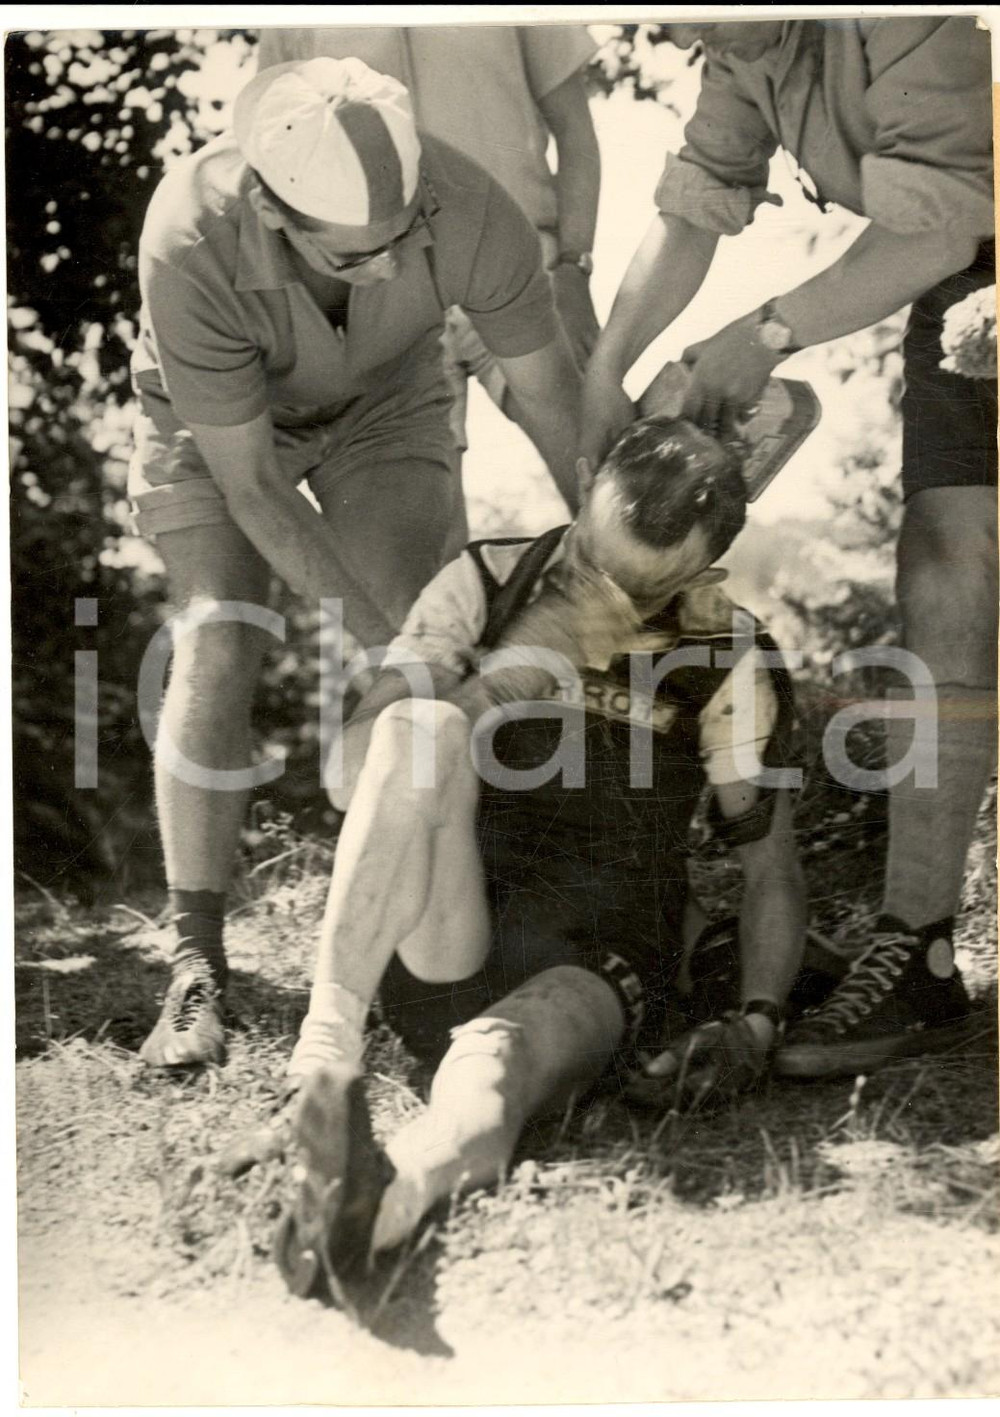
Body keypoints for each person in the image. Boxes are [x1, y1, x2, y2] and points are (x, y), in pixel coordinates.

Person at [219, 415, 807, 1309]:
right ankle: (323, 1062)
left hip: (596, 959)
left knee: (494, 1068)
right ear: (582, 485)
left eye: (646, 589)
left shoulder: (731, 651)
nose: (611, 597)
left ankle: (384, 1200)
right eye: (597, 560)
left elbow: (769, 862)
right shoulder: (493, 578)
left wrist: (757, 1022)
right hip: (447, 923)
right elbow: (350, 775)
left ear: (701, 569)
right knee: (421, 725)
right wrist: (499, 681)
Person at [130, 56, 582, 1068]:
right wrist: (402, 647)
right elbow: (251, 488)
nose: (393, 259)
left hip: (387, 402)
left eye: (406, 234)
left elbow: (554, 394)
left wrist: (615, 557)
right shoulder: (189, 237)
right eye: (358, 255)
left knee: (423, 632)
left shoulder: (465, 206)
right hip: (221, 434)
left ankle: (422, 938)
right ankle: (195, 961)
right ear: (274, 213)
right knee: (218, 634)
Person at [580, 18, 996, 1079]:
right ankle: (919, 950)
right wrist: (607, 371)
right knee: (945, 562)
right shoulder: (742, 48)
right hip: (966, 271)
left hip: (959, 234)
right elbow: (692, 206)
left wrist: (762, 335)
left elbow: (939, 223)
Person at [255, 23, 601, 461]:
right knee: (424, 516)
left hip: (518, 267)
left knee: (597, 471)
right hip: (378, 282)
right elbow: (278, 158)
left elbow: (576, 133)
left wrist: (574, 267)